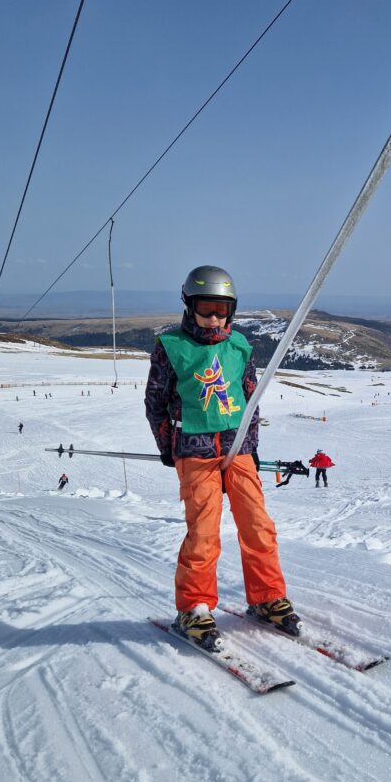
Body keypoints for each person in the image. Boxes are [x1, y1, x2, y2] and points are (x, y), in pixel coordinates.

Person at [145, 265, 300, 651]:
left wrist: (251, 445)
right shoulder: (171, 346)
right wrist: (168, 448)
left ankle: (267, 597)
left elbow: (250, 398)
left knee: (257, 525)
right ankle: (193, 608)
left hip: (237, 448)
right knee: (203, 532)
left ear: (232, 310)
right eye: (205, 308)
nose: (213, 318)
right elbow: (155, 402)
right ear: (189, 305)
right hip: (195, 452)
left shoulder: (239, 346)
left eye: (222, 309)